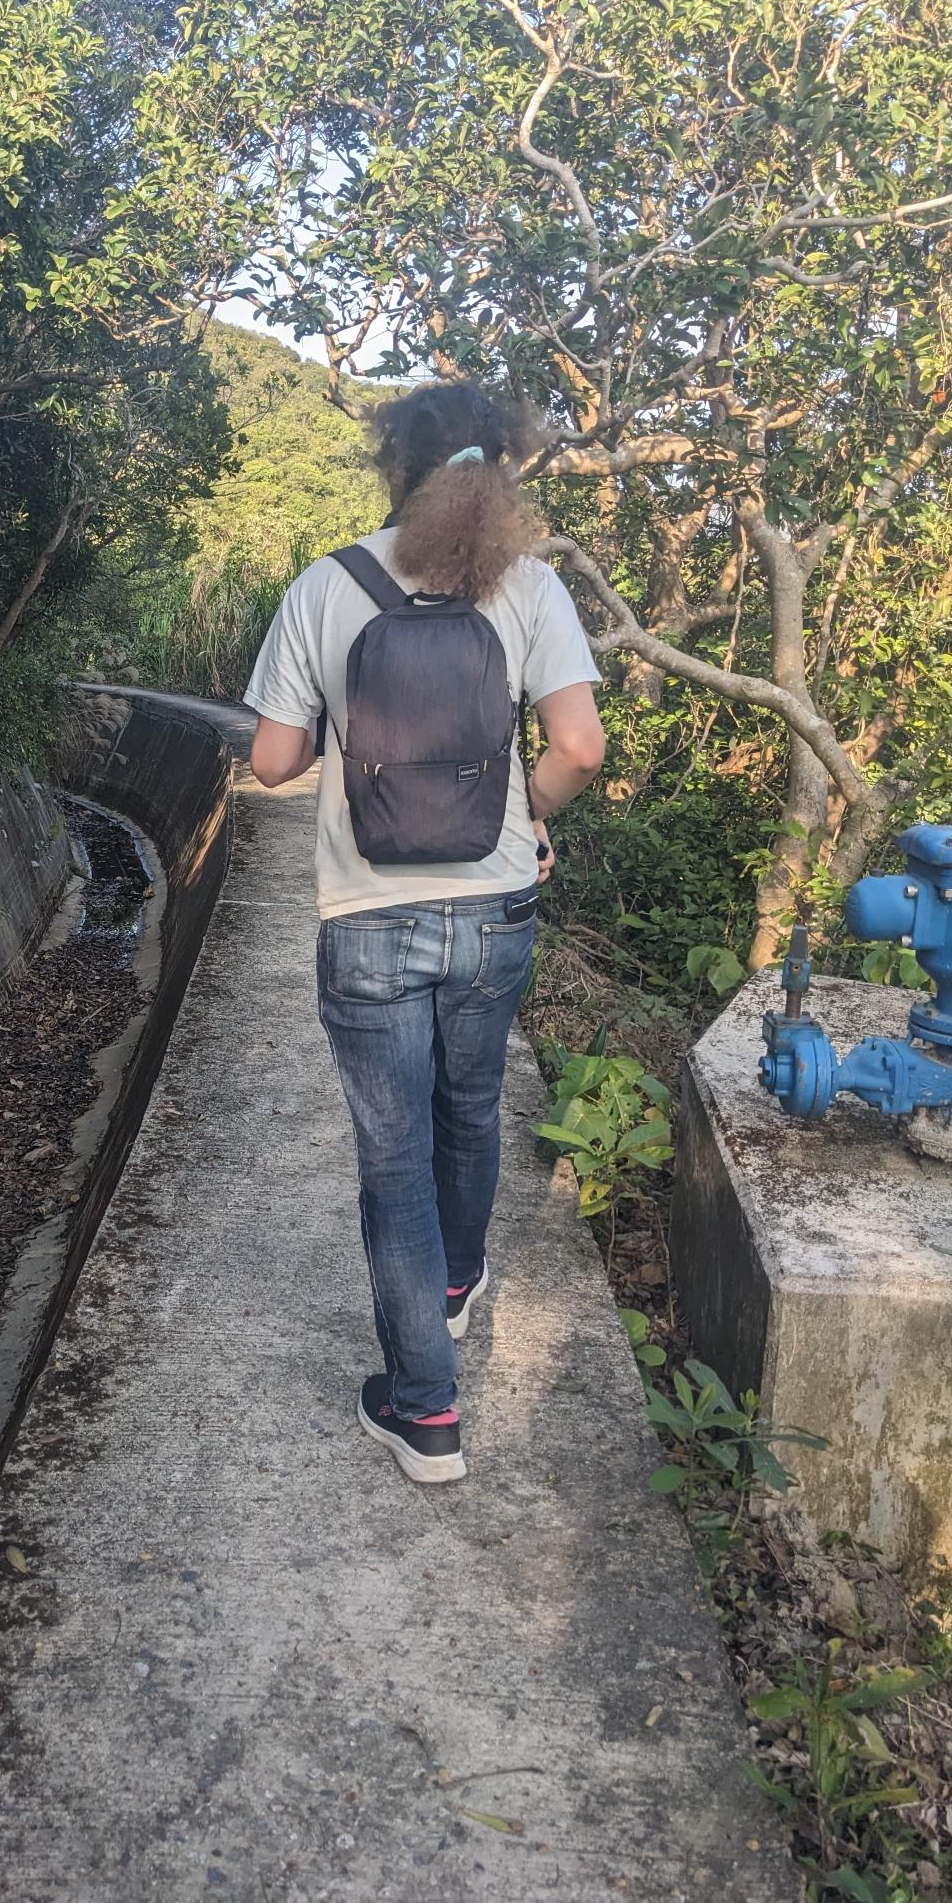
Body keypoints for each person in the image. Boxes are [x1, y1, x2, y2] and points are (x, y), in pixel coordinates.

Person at [244, 381, 605, 1485]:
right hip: (493, 909)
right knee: (472, 1104)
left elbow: (269, 762)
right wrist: (525, 814)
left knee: (390, 1159)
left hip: (368, 915)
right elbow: (580, 747)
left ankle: (425, 1412)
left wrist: (336, 743)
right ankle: (455, 1284)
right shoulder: (530, 587)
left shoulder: (328, 583)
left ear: (397, 468)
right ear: (503, 473)